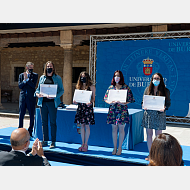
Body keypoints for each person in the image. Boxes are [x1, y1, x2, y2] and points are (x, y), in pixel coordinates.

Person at [104, 70, 135, 155]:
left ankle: (120, 148)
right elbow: (105, 98)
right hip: (113, 110)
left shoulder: (126, 87)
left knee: (121, 129)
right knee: (114, 129)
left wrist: (125, 102)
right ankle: (114, 147)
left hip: (122, 110)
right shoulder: (111, 87)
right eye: (115, 76)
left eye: (118, 76)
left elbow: (131, 99)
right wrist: (110, 102)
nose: (116, 77)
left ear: (121, 77)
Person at [142, 72, 171, 160]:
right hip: (149, 115)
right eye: (154, 78)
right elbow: (143, 101)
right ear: (152, 80)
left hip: (159, 115)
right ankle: (151, 154)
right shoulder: (147, 89)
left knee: (159, 136)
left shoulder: (165, 90)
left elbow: (168, 103)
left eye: (158, 79)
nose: (156, 80)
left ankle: (157, 155)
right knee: (149, 134)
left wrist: (164, 107)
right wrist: (143, 105)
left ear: (161, 80)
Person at [35, 61, 64, 149]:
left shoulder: (57, 78)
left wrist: (55, 96)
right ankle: (45, 140)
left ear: (53, 68)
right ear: (45, 68)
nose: (49, 67)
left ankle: (53, 142)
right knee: (44, 122)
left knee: (52, 122)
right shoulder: (42, 77)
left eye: (50, 66)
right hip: (43, 103)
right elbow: (38, 90)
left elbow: (61, 90)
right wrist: (37, 94)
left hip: (52, 103)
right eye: (47, 66)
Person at [73, 71, 95, 152]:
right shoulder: (79, 87)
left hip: (88, 108)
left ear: (87, 77)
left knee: (87, 126)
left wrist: (90, 102)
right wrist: (75, 101)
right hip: (81, 108)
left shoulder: (92, 87)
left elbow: (93, 98)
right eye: (82, 76)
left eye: (84, 76)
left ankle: (86, 144)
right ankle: (82, 143)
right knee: (81, 125)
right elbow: (75, 98)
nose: (83, 78)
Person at [18, 62, 38, 137]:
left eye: (32, 67)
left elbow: (33, 86)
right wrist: (24, 81)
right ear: (26, 67)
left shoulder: (35, 75)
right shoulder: (21, 75)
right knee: (21, 114)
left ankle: (30, 131)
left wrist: (27, 79)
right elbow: (20, 86)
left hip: (31, 97)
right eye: (30, 67)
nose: (31, 69)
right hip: (23, 97)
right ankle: (20, 129)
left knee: (31, 114)